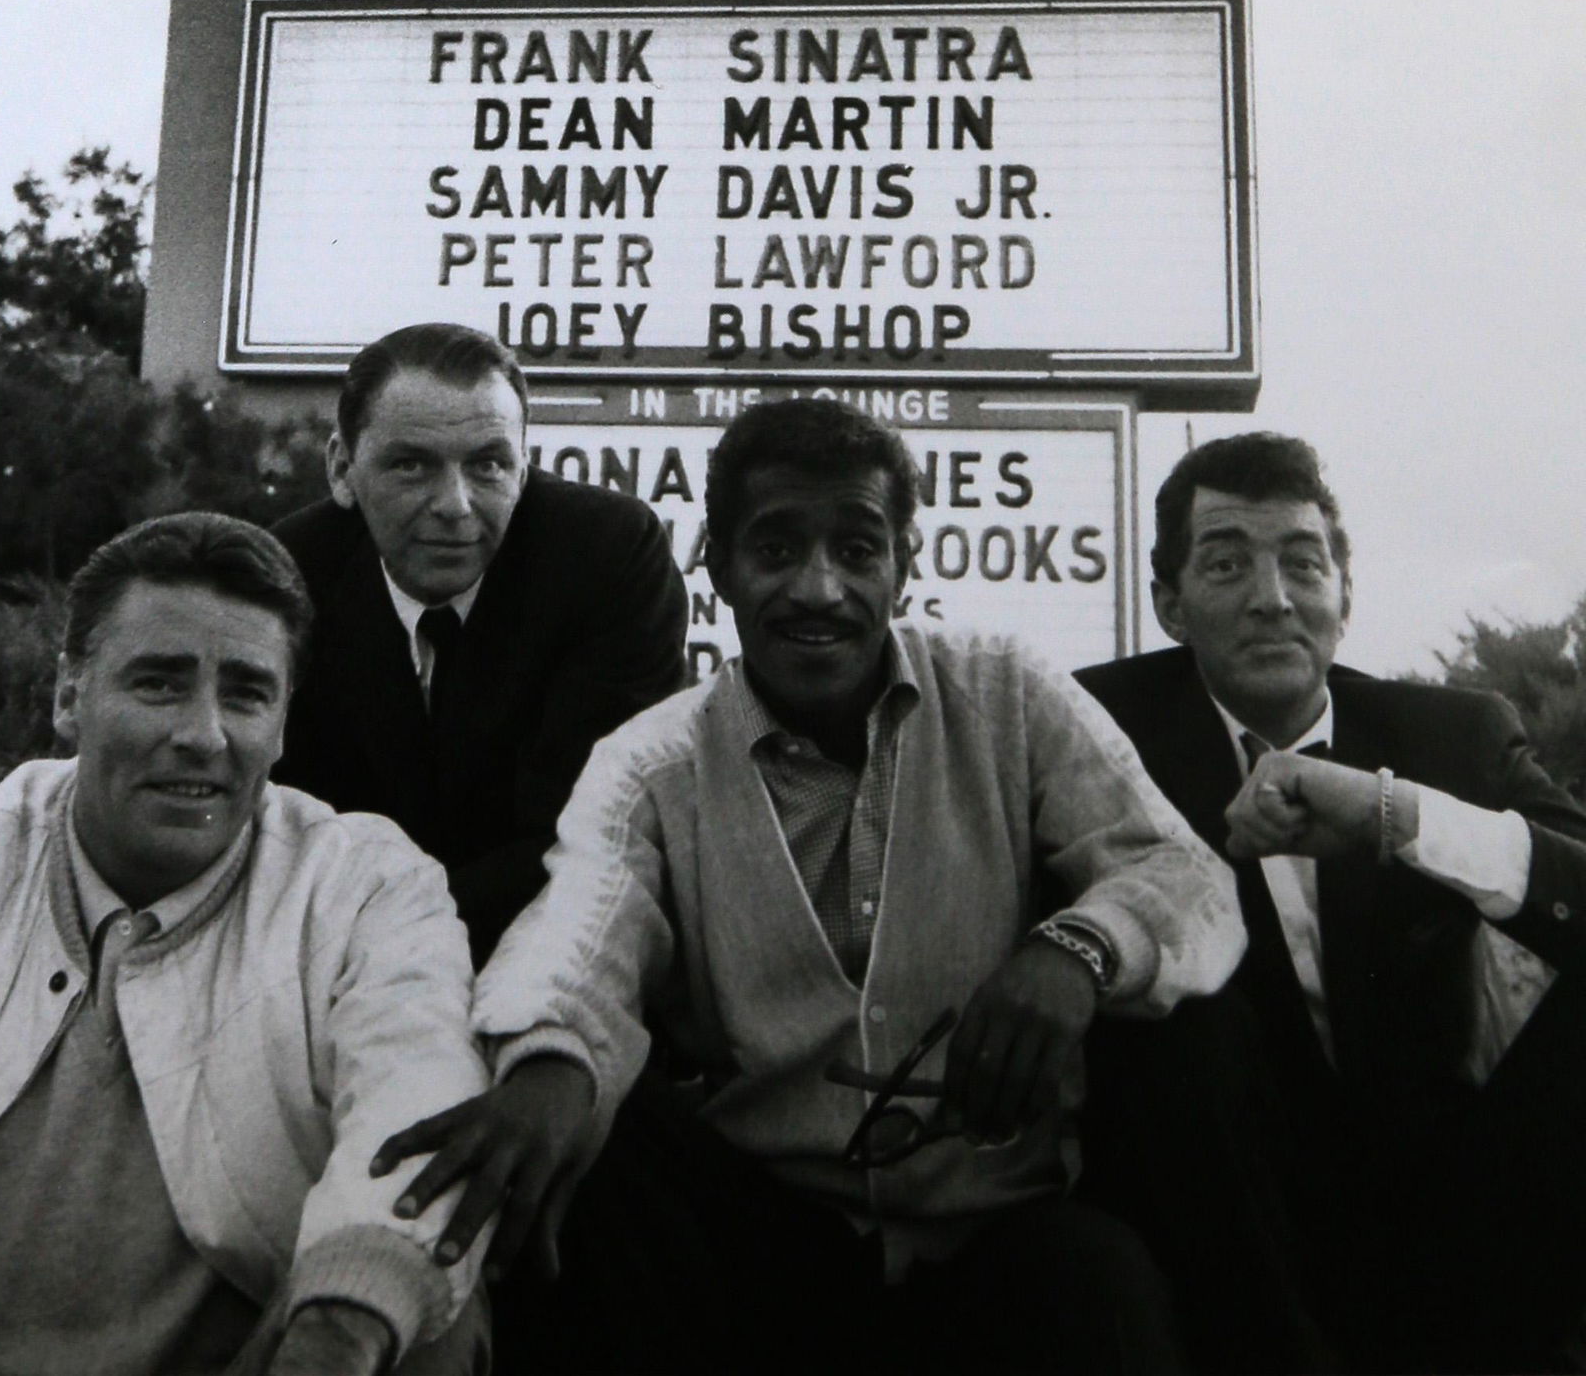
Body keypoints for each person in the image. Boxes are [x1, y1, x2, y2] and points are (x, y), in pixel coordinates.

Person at [369, 396, 1246, 1375]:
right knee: (581, 1145)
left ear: (903, 566)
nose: (818, 587)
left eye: (857, 549)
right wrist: (547, 1064)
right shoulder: (652, 759)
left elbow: (1185, 874)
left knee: (1105, 1281)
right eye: (777, 547)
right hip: (765, 1243)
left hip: (992, 1239)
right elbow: (581, 930)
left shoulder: (1007, 691)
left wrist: (1078, 948)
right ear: (719, 565)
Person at [1077, 431, 1586, 1375]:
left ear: (1344, 598)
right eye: (1226, 564)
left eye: (1302, 564)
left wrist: (1396, 815)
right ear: (1169, 604)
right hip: (1221, 1240)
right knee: (1167, 1007)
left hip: (1453, 1223)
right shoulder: (1099, 730)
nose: (1272, 598)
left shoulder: (1454, 735)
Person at [0, 512, 490, 1376]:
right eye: (158, 683)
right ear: (70, 698)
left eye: (247, 694)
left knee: (423, 1316)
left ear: (285, 724)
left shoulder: (363, 883)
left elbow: (414, 1107)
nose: (205, 734)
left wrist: (338, 1331)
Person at [274, 322, 688, 962]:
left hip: (549, 946)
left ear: (525, 467)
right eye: (411, 465)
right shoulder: (290, 580)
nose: (456, 505)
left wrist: (396, 942)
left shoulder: (606, 559)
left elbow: (590, 835)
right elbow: (281, 831)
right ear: (341, 468)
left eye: (488, 464)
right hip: (331, 961)